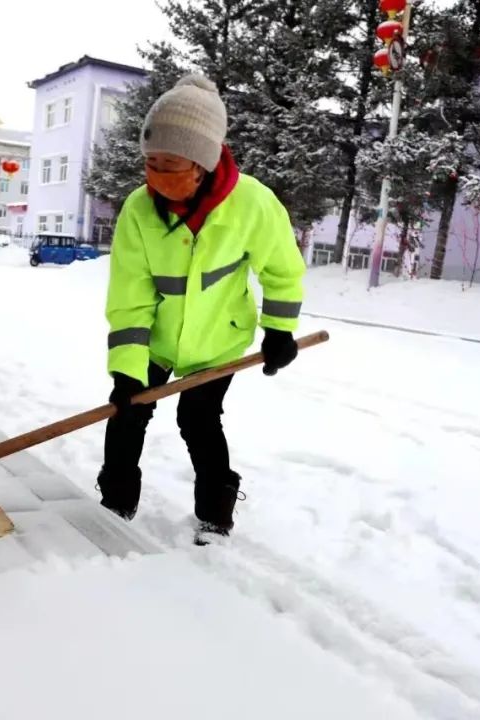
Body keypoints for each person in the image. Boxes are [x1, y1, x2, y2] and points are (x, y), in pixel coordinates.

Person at [98, 73, 306, 539]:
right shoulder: (139, 209)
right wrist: (127, 370)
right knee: (127, 414)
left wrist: (279, 330)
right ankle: (114, 504)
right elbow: (129, 296)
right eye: (150, 162)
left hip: (218, 339)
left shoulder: (252, 204)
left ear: (202, 162)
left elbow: (283, 270)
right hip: (152, 340)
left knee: (198, 419)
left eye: (169, 162)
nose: (157, 174)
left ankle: (215, 513)